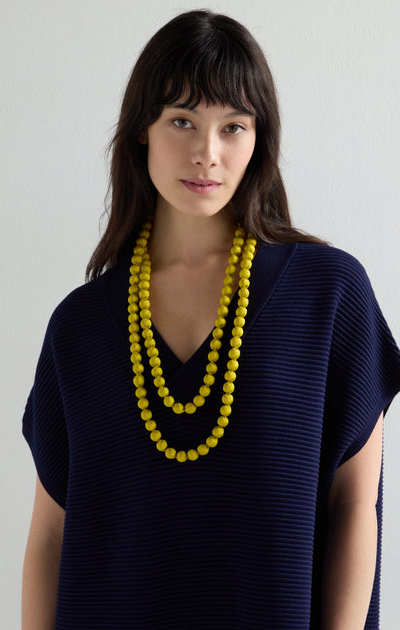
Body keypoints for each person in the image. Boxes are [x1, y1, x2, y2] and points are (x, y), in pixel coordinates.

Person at [21, 10, 400, 630]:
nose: (207, 153)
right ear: (142, 130)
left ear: (259, 139)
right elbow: (51, 536)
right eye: (182, 121)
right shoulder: (79, 327)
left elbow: (356, 501)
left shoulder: (329, 294)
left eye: (233, 126)